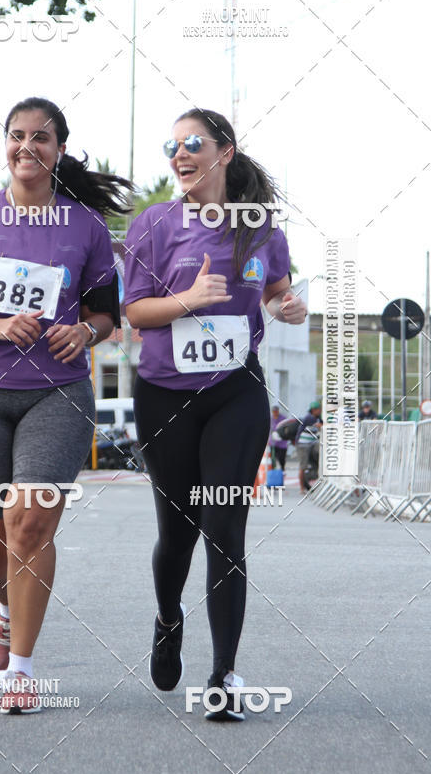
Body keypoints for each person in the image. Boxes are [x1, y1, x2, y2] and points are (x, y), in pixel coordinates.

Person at [0, 96, 130, 715]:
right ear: (6, 145)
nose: (27, 146)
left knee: (29, 523)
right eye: (17, 135)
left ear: (59, 149)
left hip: (56, 392)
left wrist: (88, 332)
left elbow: (106, 315)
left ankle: (20, 669)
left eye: (41, 137)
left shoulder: (85, 227)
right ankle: (6, 607)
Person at [124, 107, 307, 721]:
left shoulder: (260, 227)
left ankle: (224, 675)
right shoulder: (154, 224)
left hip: (235, 391)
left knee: (224, 526)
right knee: (177, 535)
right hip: (165, 396)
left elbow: (276, 291)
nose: (180, 155)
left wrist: (287, 305)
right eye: (172, 146)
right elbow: (135, 312)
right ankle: (168, 617)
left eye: (194, 143)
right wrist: (187, 300)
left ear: (225, 152)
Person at [294, 401, 323, 494]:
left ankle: (313, 476)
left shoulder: (317, 418)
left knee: (318, 459)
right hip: (302, 444)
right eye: (319, 409)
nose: (320, 411)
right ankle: (302, 488)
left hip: (311, 443)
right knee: (303, 466)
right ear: (313, 410)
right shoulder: (309, 418)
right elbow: (321, 426)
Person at [269, 405, 288, 471]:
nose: (275, 413)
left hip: (282, 442)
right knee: (272, 458)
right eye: (274, 411)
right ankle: (273, 470)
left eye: (276, 411)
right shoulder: (270, 418)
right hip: (273, 442)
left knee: (281, 458)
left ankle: (282, 470)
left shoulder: (283, 418)